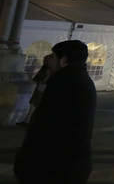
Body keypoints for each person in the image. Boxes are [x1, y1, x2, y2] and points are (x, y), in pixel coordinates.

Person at [14, 39, 97, 184]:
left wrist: (25, 164)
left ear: (64, 60)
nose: (49, 60)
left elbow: (45, 127)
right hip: (70, 165)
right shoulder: (81, 79)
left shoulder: (62, 82)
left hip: (52, 167)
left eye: (52, 56)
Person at [18, 53, 55, 125]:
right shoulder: (46, 69)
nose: (44, 61)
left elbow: (38, 79)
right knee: (33, 106)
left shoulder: (49, 70)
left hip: (42, 90)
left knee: (34, 106)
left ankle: (28, 121)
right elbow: (37, 79)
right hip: (40, 89)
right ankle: (28, 121)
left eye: (46, 60)